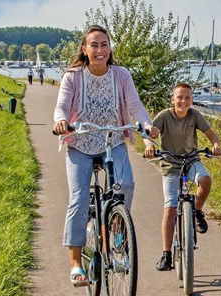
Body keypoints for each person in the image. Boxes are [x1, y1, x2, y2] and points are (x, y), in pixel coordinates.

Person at [53, 25, 160, 287]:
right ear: (85, 49)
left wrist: (146, 129)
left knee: (125, 185)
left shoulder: (121, 74)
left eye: (104, 44)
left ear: (109, 48)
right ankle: (76, 264)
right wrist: (61, 121)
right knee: (78, 199)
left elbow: (135, 106)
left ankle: (117, 234)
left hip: (113, 140)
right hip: (79, 143)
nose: (100, 50)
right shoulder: (73, 76)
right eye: (94, 45)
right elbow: (62, 106)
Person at [144, 82, 221, 271]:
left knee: (205, 180)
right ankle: (166, 254)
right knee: (170, 208)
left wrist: (216, 145)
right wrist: (149, 144)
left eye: (187, 98)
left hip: (191, 161)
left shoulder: (195, 115)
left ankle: (196, 211)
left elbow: (211, 134)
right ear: (173, 100)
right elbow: (150, 133)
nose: (183, 101)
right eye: (179, 97)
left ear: (192, 100)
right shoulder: (164, 116)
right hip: (170, 165)